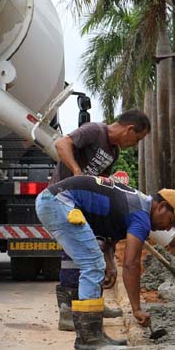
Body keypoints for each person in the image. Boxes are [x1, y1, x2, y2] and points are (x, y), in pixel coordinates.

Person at [36, 176, 175, 350]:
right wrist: (137, 309)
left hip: (55, 200)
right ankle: (88, 339)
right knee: (92, 266)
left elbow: (108, 235)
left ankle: (95, 335)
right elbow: (131, 264)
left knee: (93, 263)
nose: (168, 228)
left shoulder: (135, 204)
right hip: (59, 203)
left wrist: (110, 264)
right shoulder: (141, 216)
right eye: (171, 221)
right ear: (161, 207)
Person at [50, 110, 151, 332]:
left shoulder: (112, 151)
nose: (135, 145)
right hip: (64, 199)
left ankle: (92, 304)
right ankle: (67, 311)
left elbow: (100, 182)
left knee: (96, 250)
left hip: (84, 205)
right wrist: (77, 171)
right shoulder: (95, 131)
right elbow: (61, 144)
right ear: (130, 129)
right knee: (73, 254)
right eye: (138, 139)